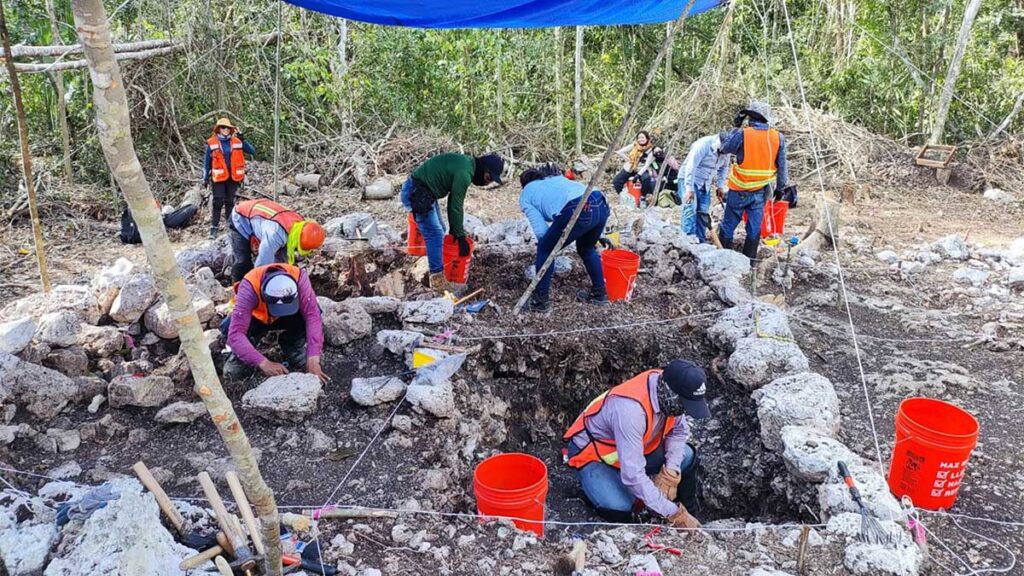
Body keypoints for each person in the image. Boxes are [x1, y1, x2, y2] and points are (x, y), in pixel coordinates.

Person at [563, 360, 710, 527]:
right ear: (669, 393)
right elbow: (632, 474)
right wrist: (672, 512)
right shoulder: (630, 411)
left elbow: (678, 431)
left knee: (686, 456)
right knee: (620, 507)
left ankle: (691, 514)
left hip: (634, 449)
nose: (684, 411)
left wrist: (671, 472)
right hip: (594, 456)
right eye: (684, 405)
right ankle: (591, 490)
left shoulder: (669, 390)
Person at [400, 152, 505, 292]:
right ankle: (437, 282)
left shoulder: (467, 164)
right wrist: (460, 237)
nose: (487, 183)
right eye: (488, 178)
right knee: (435, 234)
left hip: (425, 191)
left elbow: (453, 204)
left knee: (440, 229)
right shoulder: (464, 173)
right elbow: (455, 206)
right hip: (416, 192)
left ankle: (432, 264)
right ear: (484, 170)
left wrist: (455, 232)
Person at [519, 164, 611, 313]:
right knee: (586, 248)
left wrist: (548, 244)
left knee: (545, 249)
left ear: (524, 184)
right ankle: (599, 295)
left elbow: (541, 231)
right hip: (600, 201)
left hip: (576, 207)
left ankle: (540, 301)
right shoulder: (556, 179)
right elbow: (588, 207)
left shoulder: (526, 194)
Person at [220, 263, 329, 383]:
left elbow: (312, 316)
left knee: (315, 310)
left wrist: (313, 357)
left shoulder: (299, 277)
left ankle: (292, 344)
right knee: (227, 327)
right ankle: (244, 355)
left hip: (289, 316)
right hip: (258, 319)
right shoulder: (249, 286)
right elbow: (236, 333)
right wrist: (263, 362)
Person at [717, 101, 788, 260]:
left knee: (728, 225)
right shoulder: (778, 137)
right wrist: (780, 188)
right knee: (755, 227)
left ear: (750, 117)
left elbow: (725, 148)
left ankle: (724, 260)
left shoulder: (743, 133)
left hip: (739, 189)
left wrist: (735, 127)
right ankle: (750, 263)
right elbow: (783, 167)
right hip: (760, 191)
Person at [229, 199, 325, 283]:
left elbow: (283, 260)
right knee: (243, 261)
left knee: (282, 263)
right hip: (240, 216)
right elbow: (261, 265)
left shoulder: (298, 225)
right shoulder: (274, 235)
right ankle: (237, 287)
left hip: (261, 213)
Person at [203, 118, 255, 238]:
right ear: (218, 129)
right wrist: (205, 177)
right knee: (217, 201)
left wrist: (243, 140)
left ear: (231, 129)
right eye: (223, 127)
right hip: (219, 177)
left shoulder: (237, 141)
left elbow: (252, 151)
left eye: (227, 128)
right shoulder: (212, 142)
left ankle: (229, 226)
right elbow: (206, 162)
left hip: (233, 177)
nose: (225, 130)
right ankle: (214, 228)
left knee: (229, 202)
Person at [679, 132, 732, 242]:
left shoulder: (727, 151)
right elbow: (691, 166)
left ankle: (700, 241)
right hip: (689, 179)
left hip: (705, 183)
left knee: (703, 212)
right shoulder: (703, 145)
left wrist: (720, 186)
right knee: (690, 210)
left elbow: (723, 169)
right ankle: (688, 240)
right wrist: (689, 189)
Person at [612, 131, 655, 197]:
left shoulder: (651, 150)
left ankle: (644, 196)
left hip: (642, 169)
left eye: (642, 137)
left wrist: (638, 175)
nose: (640, 139)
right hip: (630, 167)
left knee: (646, 178)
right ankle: (623, 196)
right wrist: (630, 160)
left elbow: (647, 165)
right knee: (617, 181)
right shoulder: (634, 145)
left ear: (647, 138)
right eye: (639, 138)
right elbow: (620, 152)